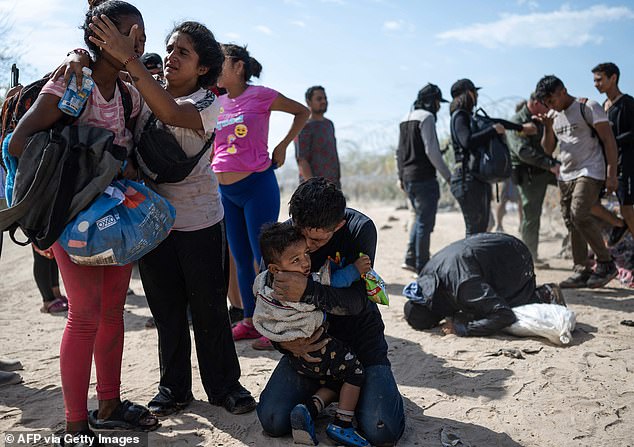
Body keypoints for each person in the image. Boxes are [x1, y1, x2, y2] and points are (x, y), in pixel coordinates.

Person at [89, 16, 257, 414]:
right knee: (166, 313)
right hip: (153, 225)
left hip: (200, 222)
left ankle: (225, 388)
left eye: (183, 52)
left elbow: (168, 113)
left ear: (203, 68)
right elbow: (108, 80)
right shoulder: (143, 91)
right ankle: (174, 390)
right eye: (169, 50)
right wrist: (81, 54)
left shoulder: (207, 103)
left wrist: (129, 60)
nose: (170, 58)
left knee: (210, 310)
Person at [8, 1, 159, 443]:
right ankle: (76, 423)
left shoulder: (129, 95)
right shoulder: (73, 81)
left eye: (142, 38)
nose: (139, 44)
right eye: (133, 35)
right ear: (102, 35)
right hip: (71, 220)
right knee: (85, 316)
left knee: (112, 312)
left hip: (114, 222)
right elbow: (19, 143)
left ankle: (108, 405)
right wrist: (65, 186)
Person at [257, 178, 405, 447]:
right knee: (273, 419)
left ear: (338, 226)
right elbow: (267, 306)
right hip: (308, 349)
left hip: (360, 344)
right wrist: (286, 343)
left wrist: (307, 290)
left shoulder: (360, 229)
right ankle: (331, 393)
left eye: (316, 239)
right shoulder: (285, 236)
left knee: (382, 431)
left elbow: (358, 300)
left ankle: (355, 392)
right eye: (302, 233)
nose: (308, 246)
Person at [213, 44, 309, 350]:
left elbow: (302, 112)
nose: (216, 67)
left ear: (238, 67)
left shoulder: (262, 95)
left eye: (222, 62)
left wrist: (282, 146)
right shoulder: (217, 101)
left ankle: (276, 322)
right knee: (241, 258)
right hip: (225, 191)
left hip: (257, 185)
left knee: (265, 258)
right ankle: (251, 321)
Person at [253, 222, 371, 446]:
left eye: (305, 254)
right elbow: (337, 281)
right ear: (275, 269)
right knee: (354, 371)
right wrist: (356, 268)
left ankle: (308, 409)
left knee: (335, 377)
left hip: (298, 357)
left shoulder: (263, 284)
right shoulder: (300, 284)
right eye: (295, 260)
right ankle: (342, 424)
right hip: (320, 347)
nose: (306, 262)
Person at [535, 75, 619, 288]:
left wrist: (611, 173)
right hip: (566, 174)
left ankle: (606, 262)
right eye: (546, 103)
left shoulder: (588, 107)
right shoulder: (553, 115)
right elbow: (547, 149)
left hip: (590, 170)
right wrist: (547, 125)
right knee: (572, 222)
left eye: (551, 100)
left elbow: (609, 140)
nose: (549, 105)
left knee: (579, 212)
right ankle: (582, 269)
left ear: (562, 90)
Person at [403, 233, 565, 336]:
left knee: (495, 309)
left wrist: (462, 328)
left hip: (515, 257)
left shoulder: (463, 286)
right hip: (495, 246)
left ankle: (545, 293)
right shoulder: (426, 278)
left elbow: (504, 315)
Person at [449, 78, 537, 236]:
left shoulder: (470, 117)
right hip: (465, 179)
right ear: (468, 93)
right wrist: (493, 131)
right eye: (475, 92)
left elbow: (496, 122)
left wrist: (521, 128)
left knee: (482, 228)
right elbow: (466, 141)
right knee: (475, 231)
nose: (476, 96)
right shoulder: (460, 116)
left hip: (475, 179)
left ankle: (477, 260)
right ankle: (470, 260)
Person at [397, 83, 451, 273]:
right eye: (437, 102)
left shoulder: (405, 118)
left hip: (408, 178)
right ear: (430, 101)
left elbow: (400, 153)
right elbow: (432, 151)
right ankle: (422, 266)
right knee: (424, 223)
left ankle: (411, 258)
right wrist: (448, 175)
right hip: (424, 178)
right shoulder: (427, 118)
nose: (438, 107)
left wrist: (400, 177)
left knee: (419, 219)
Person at [507, 93, 560, 264]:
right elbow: (523, 152)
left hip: (545, 170)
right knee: (531, 216)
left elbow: (550, 145)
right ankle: (529, 257)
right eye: (546, 104)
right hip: (530, 175)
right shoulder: (516, 121)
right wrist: (550, 165)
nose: (550, 108)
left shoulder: (543, 119)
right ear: (536, 103)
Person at [593, 62, 634, 246]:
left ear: (613, 78)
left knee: (628, 210)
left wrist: (612, 140)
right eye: (594, 80)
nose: (596, 84)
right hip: (607, 165)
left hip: (626, 164)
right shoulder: (603, 106)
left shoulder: (627, 103)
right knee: (590, 203)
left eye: (600, 80)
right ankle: (619, 226)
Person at [295, 86, 341, 188]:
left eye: (325, 98)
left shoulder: (329, 124)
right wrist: (313, 187)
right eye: (319, 99)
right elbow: (302, 160)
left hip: (333, 186)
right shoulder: (304, 126)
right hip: (314, 190)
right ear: (308, 102)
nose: (324, 101)